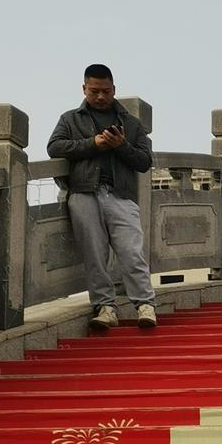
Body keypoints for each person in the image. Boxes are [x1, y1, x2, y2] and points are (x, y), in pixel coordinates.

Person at [47, 63, 157, 333]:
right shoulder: (70, 119)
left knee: (132, 251)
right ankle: (105, 307)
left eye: (105, 91)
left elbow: (144, 161)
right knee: (94, 254)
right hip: (84, 192)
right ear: (84, 88)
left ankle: (145, 304)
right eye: (94, 91)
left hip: (121, 194)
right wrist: (92, 144)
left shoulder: (131, 123)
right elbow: (54, 147)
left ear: (114, 90)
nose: (100, 96)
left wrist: (121, 145)